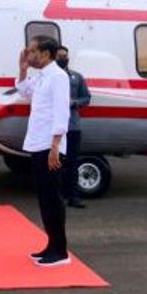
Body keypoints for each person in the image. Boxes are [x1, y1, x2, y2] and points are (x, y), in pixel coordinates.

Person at [16, 35, 71, 267]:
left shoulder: (58, 77)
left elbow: (61, 113)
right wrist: (22, 69)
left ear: (45, 54)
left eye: (32, 52)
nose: (29, 55)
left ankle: (60, 252)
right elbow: (24, 93)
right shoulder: (42, 77)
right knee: (44, 199)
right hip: (38, 143)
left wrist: (55, 146)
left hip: (50, 147)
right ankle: (51, 245)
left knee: (52, 199)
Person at [55, 46, 91, 208]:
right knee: (56, 163)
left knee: (72, 163)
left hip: (72, 126)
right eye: (60, 56)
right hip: (55, 127)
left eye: (65, 56)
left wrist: (74, 102)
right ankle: (58, 196)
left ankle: (73, 197)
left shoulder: (76, 77)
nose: (63, 58)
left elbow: (86, 98)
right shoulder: (50, 77)